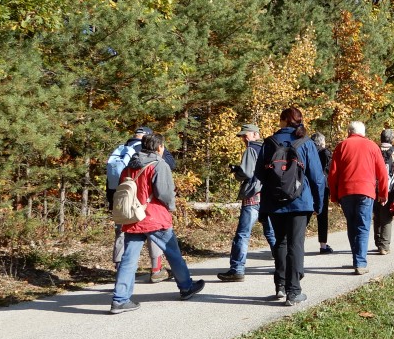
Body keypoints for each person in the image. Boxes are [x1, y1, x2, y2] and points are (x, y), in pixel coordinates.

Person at [110, 133, 205, 314]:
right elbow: (165, 193)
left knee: (129, 258)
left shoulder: (130, 166)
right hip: (154, 216)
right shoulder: (159, 165)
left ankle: (120, 299)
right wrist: (171, 207)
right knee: (173, 252)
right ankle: (186, 287)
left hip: (132, 217)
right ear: (160, 147)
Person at [255, 107, 326, 305]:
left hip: (274, 201)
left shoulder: (269, 143)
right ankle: (293, 292)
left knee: (281, 242)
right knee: (296, 244)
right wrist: (318, 205)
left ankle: (280, 285)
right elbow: (317, 178)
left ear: (284, 120)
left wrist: (276, 184)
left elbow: (259, 173)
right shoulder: (306, 143)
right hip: (300, 201)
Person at [106, 126, 173, 283]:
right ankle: (157, 270)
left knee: (122, 235)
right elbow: (170, 164)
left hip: (121, 201)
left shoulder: (122, 151)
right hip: (145, 205)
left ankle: (121, 272)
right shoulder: (150, 154)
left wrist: (113, 202)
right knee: (153, 233)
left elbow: (111, 180)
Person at [327, 121, 389, 275]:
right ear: (363, 132)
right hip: (366, 191)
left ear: (349, 132)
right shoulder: (372, 146)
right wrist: (383, 193)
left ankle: (357, 259)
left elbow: (333, 173)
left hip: (345, 191)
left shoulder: (342, 146)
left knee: (352, 224)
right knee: (362, 225)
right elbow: (382, 173)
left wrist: (334, 195)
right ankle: (360, 262)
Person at [217, 124, 275, 282]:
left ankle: (237, 269)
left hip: (253, 197)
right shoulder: (269, 148)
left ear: (255, 134)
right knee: (271, 232)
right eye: (242, 136)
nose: (243, 138)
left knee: (242, 235)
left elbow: (247, 172)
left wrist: (237, 171)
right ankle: (281, 266)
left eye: (245, 135)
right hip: (268, 197)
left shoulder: (251, 149)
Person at [312, 133, 334, 254]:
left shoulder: (307, 150)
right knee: (322, 216)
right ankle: (323, 245)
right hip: (322, 187)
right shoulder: (325, 153)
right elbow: (330, 170)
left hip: (308, 187)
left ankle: (294, 243)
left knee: (305, 216)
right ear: (321, 142)